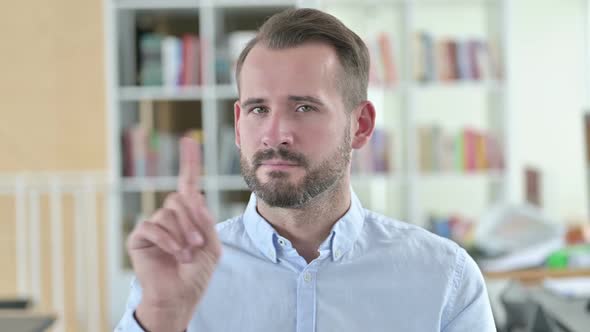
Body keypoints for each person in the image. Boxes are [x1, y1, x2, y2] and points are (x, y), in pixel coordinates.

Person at [116, 8, 495, 332]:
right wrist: (163, 316)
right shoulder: (174, 277)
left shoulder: (444, 277)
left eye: (304, 108)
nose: (274, 136)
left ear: (360, 125)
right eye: (258, 109)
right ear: (237, 123)